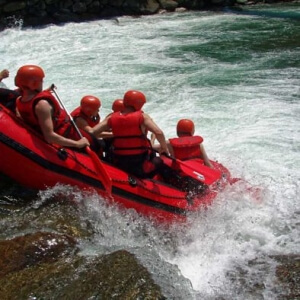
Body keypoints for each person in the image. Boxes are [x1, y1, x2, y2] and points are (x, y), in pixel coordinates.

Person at [92, 90, 170, 178]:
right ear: (138, 104)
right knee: (159, 161)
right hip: (138, 166)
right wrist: (164, 149)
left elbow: (92, 132)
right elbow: (158, 132)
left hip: (118, 163)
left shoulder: (111, 118)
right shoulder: (142, 117)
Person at [15, 64, 89, 149]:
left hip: (64, 132)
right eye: (41, 80)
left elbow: (32, 99)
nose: (42, 82)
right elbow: (49, 137)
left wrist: (47, 90)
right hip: (67, 135)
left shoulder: (19, 100)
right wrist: (77, 144)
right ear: (35, 84)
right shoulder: (42, 105)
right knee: (98, 143)